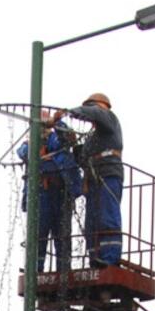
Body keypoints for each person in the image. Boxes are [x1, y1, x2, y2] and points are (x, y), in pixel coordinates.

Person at [48, 93, 123, 268]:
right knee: (92, 222)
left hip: (108, 175)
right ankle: (96, 257)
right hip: (94, 178)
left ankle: (110, 258)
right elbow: (80, 156)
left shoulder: (110, 119)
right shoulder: (93, 138)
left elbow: (96, 113)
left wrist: (66, 113)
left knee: (107, 217)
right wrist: (63, 130)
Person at [17, 111, 81, 273]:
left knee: (62, 235)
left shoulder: (56, 138)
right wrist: (37, 146)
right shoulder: (29, 145)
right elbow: (24, 153)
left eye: (44, 126)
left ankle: (63, 270)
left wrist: (56, 123)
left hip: (60, 193)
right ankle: (35, 268)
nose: (42, 130)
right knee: (39, 233)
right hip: (41, 195)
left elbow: (67, 139)